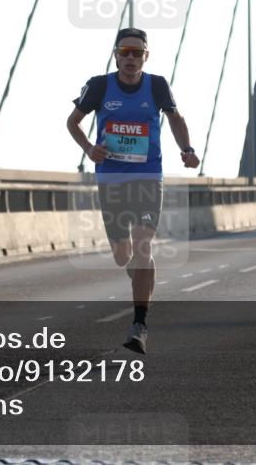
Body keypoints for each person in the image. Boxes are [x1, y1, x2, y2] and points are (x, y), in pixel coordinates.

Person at [66, 28, 199, 354]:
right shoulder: (99, 86)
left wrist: (187, 149)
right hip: (110, 180)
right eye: (124, 51)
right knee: (123, 255)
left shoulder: (157, 86)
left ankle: (139, 324)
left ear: (146, 56)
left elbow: (176, 119)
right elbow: (73, 122)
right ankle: (135, 270)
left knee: (143, 245)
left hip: (147, 178)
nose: (130, 58)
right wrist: (89, 149)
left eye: (136, 53)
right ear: (116, 54)